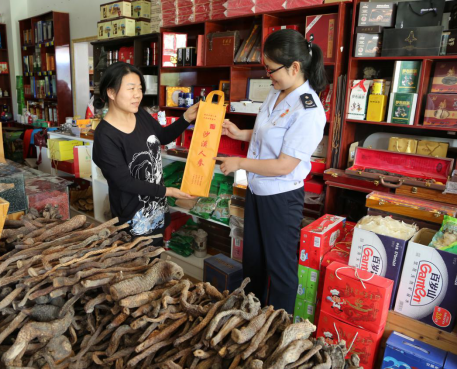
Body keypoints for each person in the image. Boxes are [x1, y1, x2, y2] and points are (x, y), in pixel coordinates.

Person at [215, 29, 327, 313]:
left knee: (280, 270)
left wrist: (239, 163)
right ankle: (251, 315)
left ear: (295, 67)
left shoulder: (309, 110)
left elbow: (284, 165)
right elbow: (269, 135)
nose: (268, 74)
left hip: (281, 197)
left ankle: (276, 330)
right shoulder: (277, 93)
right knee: (254, 261)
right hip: (257, 191)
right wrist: (240, 134)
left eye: (271, 68)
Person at [93, 62, 198, 239]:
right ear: (111, 92)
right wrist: (168, 191)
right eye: (131, 88)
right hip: (132, 219)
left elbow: (162, 137)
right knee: (136, 263)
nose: (137, 95)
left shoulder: (139, 114)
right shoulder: (105, 135)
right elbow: (125, 182)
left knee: (156, 260)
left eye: (140, 89)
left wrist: (186, 118)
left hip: (157, 210)